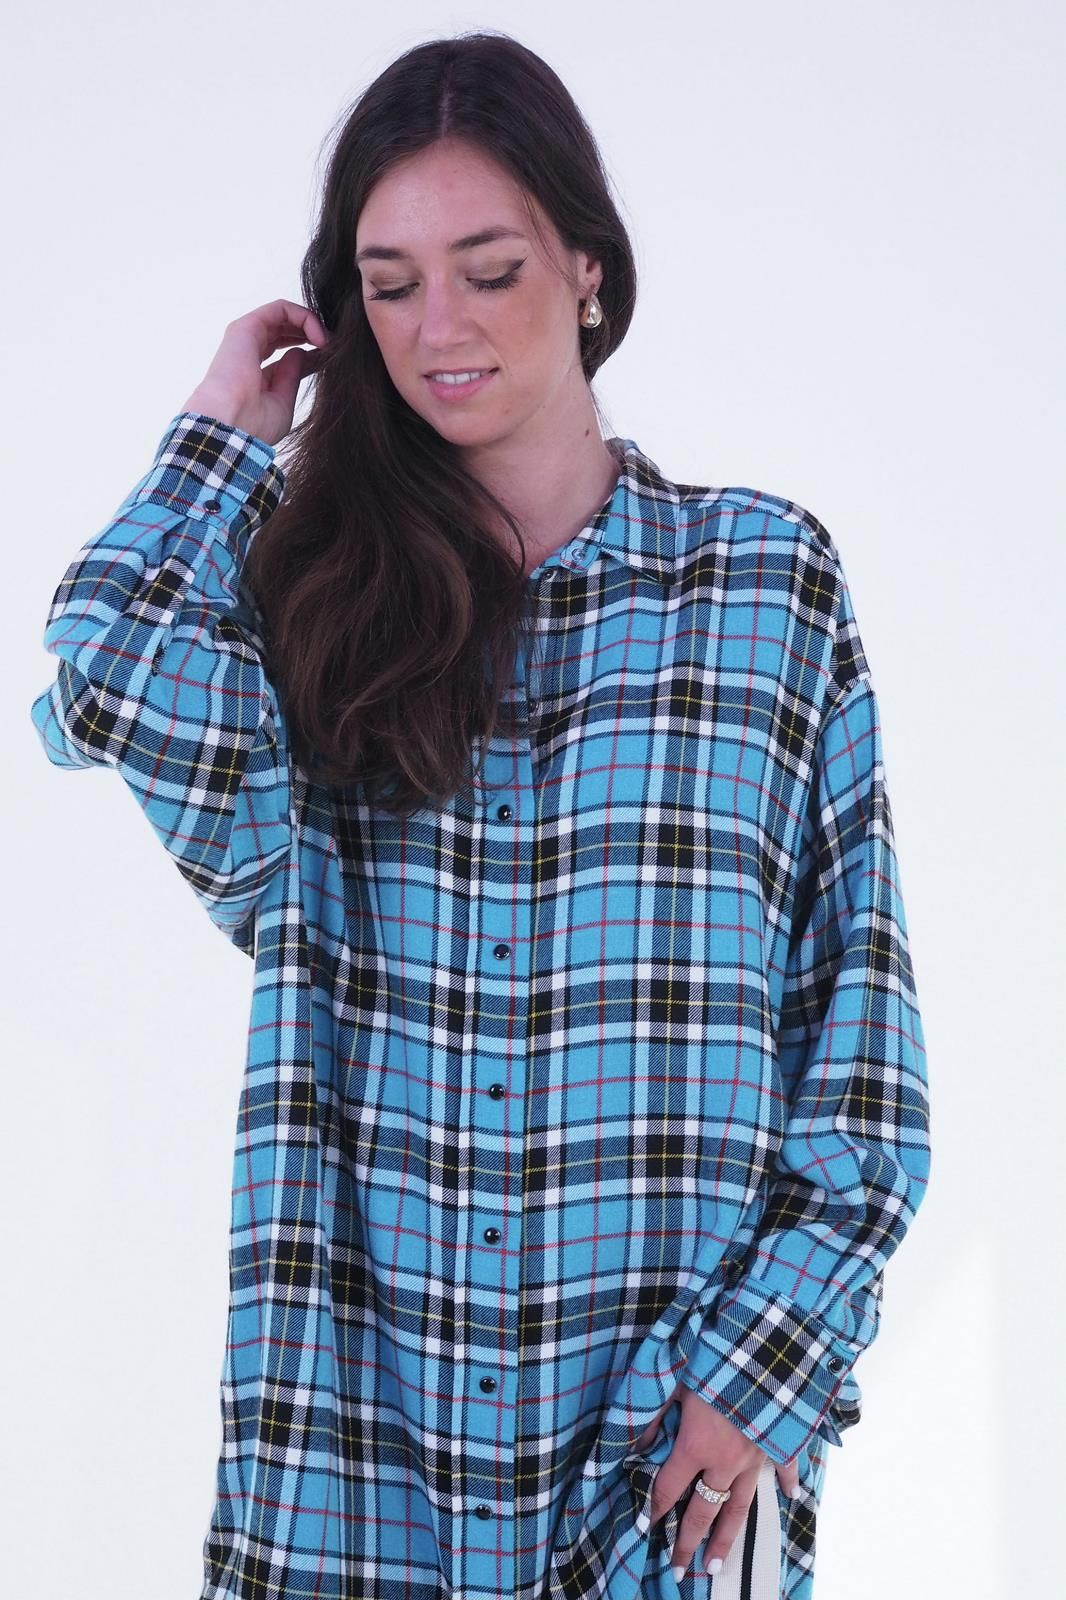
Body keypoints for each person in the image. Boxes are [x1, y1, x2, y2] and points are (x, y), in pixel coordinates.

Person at [28, 29, 931, 1600]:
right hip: (350, 1472)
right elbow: (103, 673)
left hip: (659, 1461)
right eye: (388, 287)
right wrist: (221, 438)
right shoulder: (307, 610)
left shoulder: (761, 586)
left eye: (488, 269)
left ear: (587, 268)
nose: (437, 327)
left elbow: (855, 1041)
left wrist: (760, 1371)